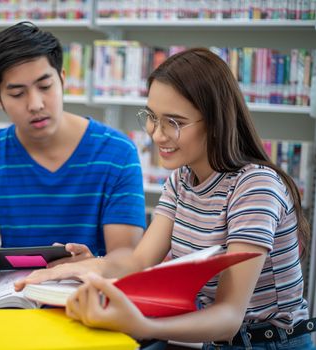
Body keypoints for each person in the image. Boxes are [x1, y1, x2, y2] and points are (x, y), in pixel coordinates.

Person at [16, 48, 316, 349]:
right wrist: (82, 267)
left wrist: (143, 325)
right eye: (152, 118)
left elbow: (229, 316)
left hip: (269, 343)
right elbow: (139, 260)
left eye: (174, 122)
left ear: (215, 121)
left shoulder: (255, 186)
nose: (157, 135)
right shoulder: (181, 180)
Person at [0, 22, 146, 266]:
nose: (35, 104)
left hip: (92, 294)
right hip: (17, 297)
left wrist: (92, 263)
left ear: (62, 80)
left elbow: (126, 259)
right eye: (17, 94)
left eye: (45, 86)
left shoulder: (118, 153)